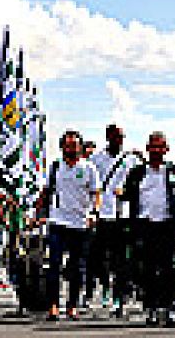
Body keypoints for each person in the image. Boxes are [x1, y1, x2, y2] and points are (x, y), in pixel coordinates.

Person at [121, 132, 175, 327]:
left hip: (168, 226)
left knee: (171, 270)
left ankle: (169, 309)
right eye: (154, 147)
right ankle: (150, 308)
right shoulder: (137, 173)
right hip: (145, 227)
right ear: (148, 149)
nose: (157, 151)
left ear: (166, 150)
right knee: (147, 270)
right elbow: (127, 197)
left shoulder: (173, 172)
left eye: (161, 147)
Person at [43, 130, 101, 321]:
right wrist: (38, 215)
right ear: (62, 147)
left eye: (74, 145)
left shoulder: (89, 168)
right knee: (54, 265)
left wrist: (94, 212)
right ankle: (53, 305)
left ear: (80, 147)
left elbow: (96, 194)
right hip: (58, 221)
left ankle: (72, 306)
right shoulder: (55, 167)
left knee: (77, 268)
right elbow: (47, 192)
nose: (71, 149)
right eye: (67, 145)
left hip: (80, 224)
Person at [87, 124, 140, 316]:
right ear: (108, 137)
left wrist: (126, 192)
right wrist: (92, 211)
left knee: (121, 260)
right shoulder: (96, 159)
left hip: (122, 215)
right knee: (99, 259)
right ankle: (103, 287)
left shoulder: (131, 160)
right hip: (102, 215)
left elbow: (137, 185)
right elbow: (91, 187)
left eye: (121, 137)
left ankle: (119, 297)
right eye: (115, 136)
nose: (119, 140)